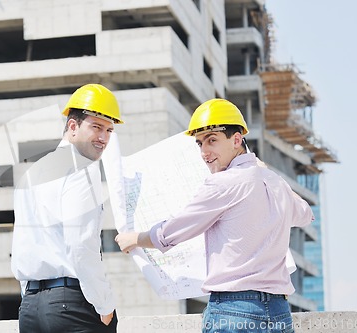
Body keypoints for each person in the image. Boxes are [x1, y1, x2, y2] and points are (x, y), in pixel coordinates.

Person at [115, 98, 313, 333]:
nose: (204, 152)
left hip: (233, 311)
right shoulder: (274, 182)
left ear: (237, 139)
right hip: (279, 313)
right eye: (199, 144)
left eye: (212, 141)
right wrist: (268, 173)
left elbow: (172, 232)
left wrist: (134, 238)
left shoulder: (223, 183)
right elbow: (305, 215)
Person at [12, 84, 123, 333]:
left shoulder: (30, 174)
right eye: (96, 127)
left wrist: (32, 298)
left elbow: (22, 245)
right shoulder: (82, 167)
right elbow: (80, 244)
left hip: (30, 308)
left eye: (109, 130)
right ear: (72, 126)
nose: (103, 138)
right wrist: (105, 306)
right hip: (70, 306)